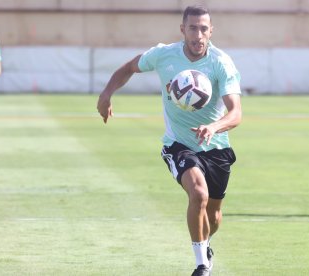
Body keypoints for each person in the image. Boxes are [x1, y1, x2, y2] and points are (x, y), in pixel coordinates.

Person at [97, 5, 242, 276]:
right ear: (182, 29)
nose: (197, 35)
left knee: (213, 217)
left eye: (203, 29)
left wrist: (214, 126)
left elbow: (236, 113)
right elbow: (129, 67)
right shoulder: (164, 55)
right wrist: (106, 94)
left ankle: (206, 242)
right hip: (178, 144)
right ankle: (201, 265)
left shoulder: (221, 63)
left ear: (211, 31)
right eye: (192, 28)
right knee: (198, 193)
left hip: (216, 147)